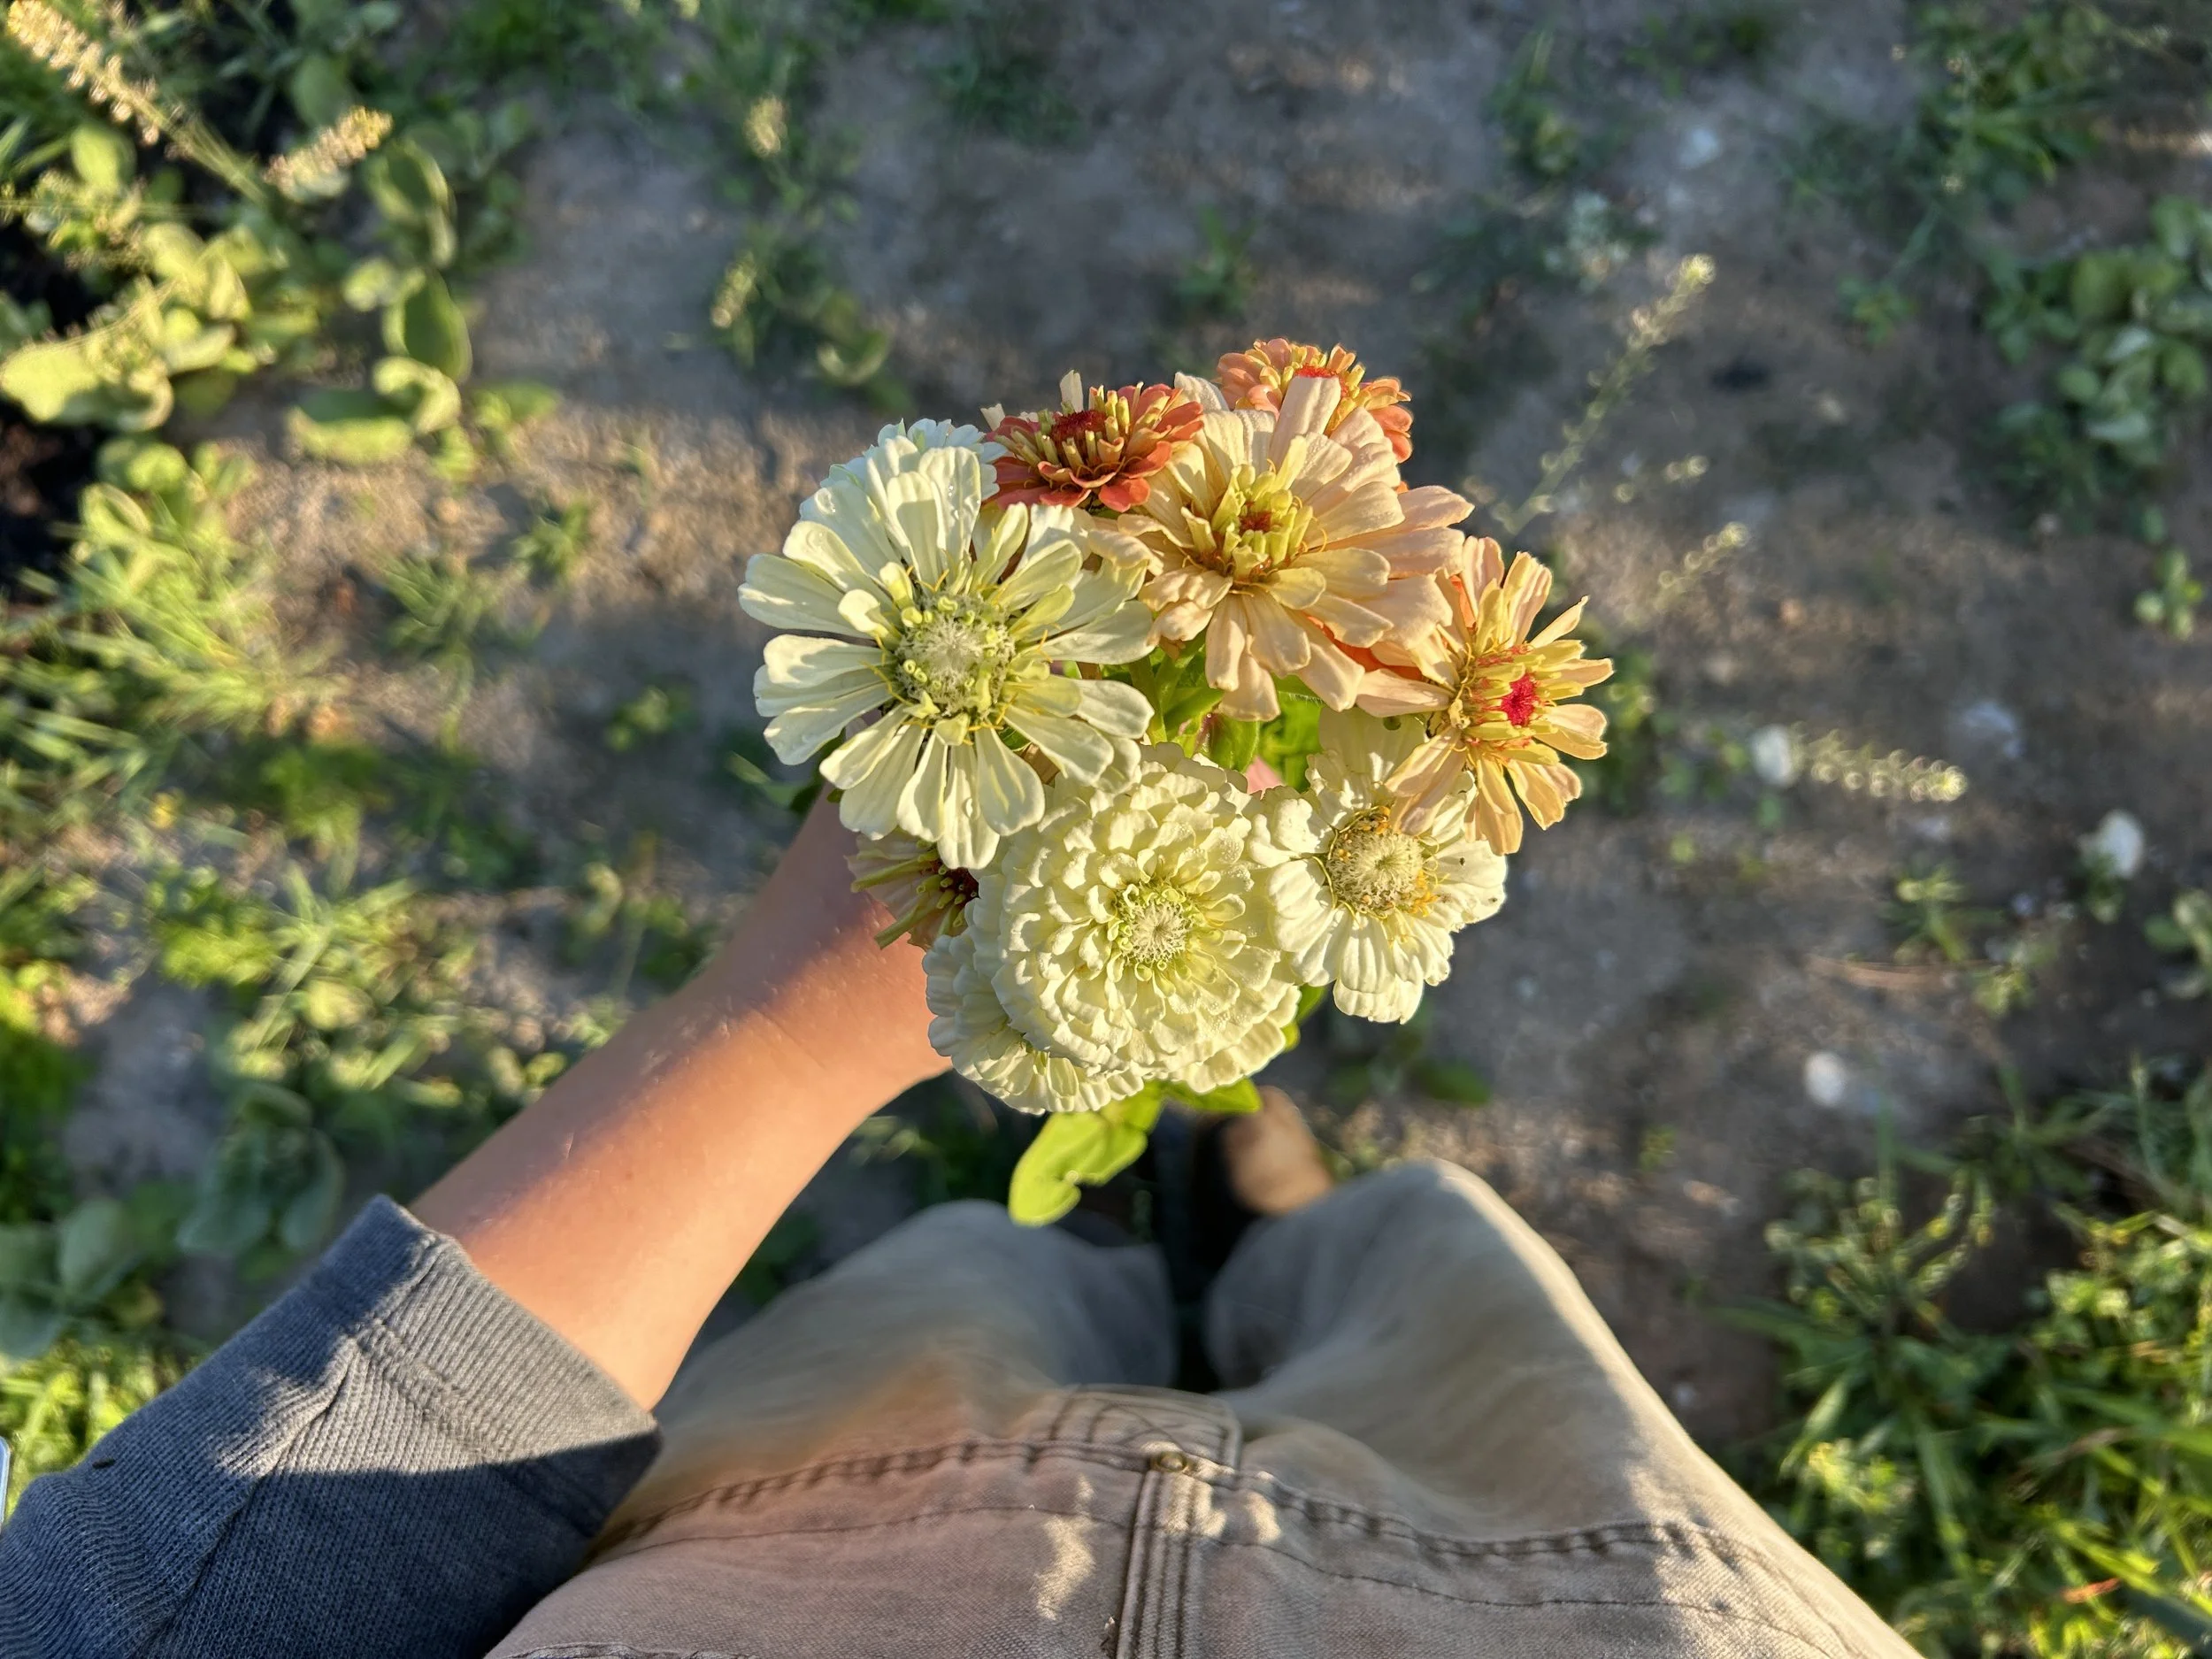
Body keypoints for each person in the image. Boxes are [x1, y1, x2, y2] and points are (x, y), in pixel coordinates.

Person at [0, 803, 1914, 1658]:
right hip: (1568, 1585)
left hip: (822, 1512)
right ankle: (1271, 1243)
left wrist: (783, 1029)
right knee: (1438, 1306)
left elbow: (153, 1618)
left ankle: (1093, 1243)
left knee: (953, 1295)